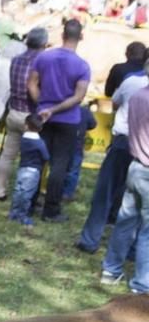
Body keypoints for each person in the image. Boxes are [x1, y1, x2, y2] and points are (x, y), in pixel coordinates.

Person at [77, 56, 148, 253]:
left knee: (105, 192)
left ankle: (90, 239)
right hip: (142, 150)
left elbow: (115, 102)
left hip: (123, 141)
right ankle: (132, 249)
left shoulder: (131, 82)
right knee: (140, 201)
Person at [27, 20, 92, 222]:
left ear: (62, 35)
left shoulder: (44, 57)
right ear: (81, 37)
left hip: (43, 117)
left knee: (37, 161)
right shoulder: (82, 65)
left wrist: (43, 106)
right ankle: (51, 209)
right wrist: (54, 109)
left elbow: (32, 84)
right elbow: (78, 97)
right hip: (68, 119)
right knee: (59, 165)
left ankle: (29, 202)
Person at [99, 84, 149, 293]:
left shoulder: (138, 95)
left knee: (126, 221)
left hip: (136, 165)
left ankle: (111, 270)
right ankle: (142, 284)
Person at [0, 27, 48, 201]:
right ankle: (26, 194)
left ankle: (0, 190)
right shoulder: (43, 62)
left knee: (8, 154)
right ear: (43, 43)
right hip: (31, 115)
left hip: (14, 110)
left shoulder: (16, 59)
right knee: (31, 159)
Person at [8, 114, 52, 226]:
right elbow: (46, 156)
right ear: (40, 128)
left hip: (22, 168)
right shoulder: (39, 143)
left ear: (26, 125)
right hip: (33, 171)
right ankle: (22, 216)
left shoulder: (24, 139)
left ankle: (13, 212)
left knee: (18, 191)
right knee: (27, 194)